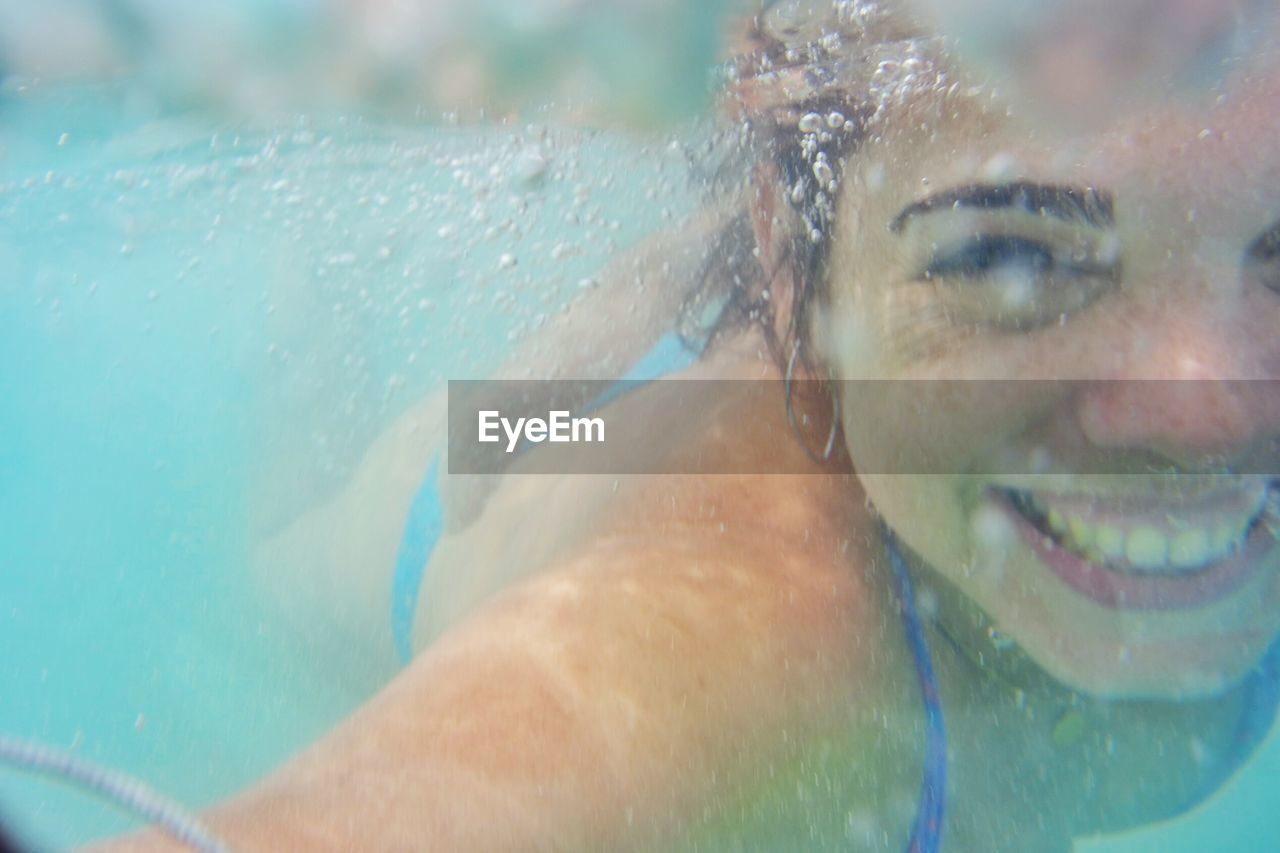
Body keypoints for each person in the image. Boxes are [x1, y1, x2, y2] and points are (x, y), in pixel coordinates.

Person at [96, 0, 1280, 850]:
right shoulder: (757, 638)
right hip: (501, 490)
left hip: (741, 367)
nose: (1201, 410)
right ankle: (313, 295)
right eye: (1005, 252)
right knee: (329, 520)